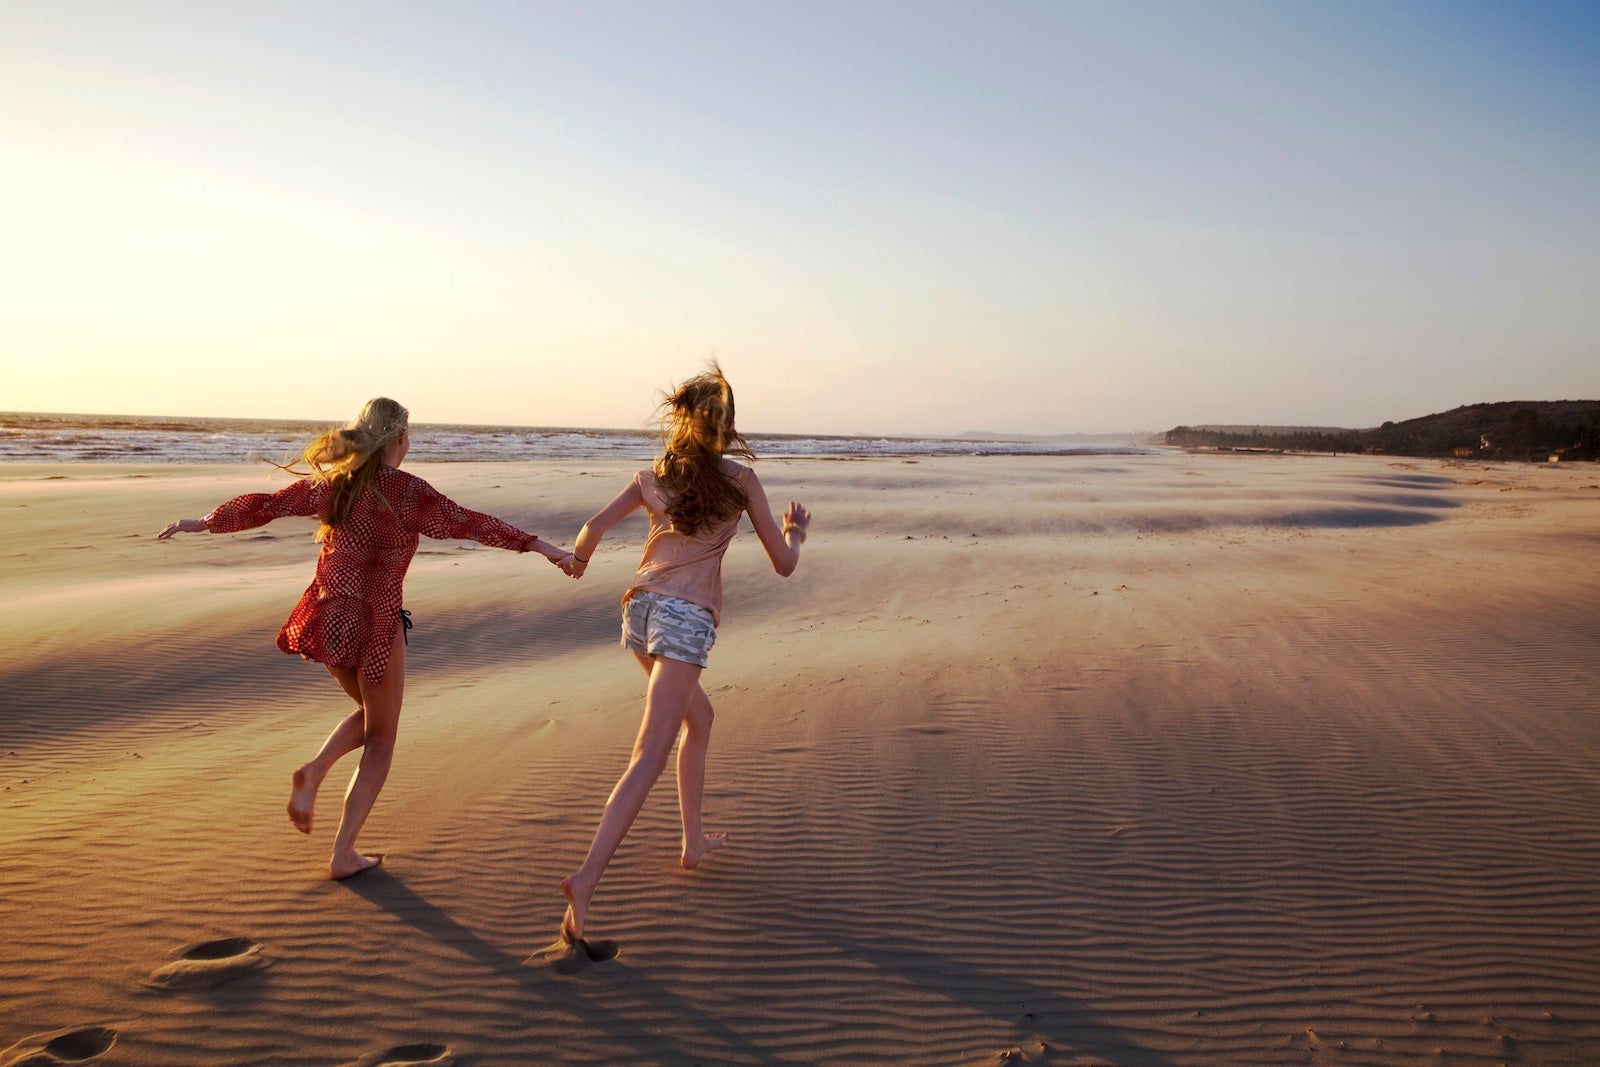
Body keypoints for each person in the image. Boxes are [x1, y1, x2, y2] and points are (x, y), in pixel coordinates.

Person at [159, 398, 574, 879]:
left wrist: (206, 522)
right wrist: (541, 546)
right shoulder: (407, 493)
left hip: (328, 614)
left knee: (372, 718)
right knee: (383, 736)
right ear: (398, 438)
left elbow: (268, 506)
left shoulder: (335, 486)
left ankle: (317, 778)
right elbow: (470, 523)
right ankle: (337, 837)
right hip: (375, 623)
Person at [556, 364, 810, 942]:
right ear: (728, 428)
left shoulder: (652, 478)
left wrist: (578, 562)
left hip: (639, 610)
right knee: (649, 751)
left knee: (701, 718)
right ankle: (588, 876)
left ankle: (692, 841)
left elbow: (592, 528)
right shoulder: (741, 481)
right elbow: (784, 563)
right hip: (683, 621)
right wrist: (796, 531)